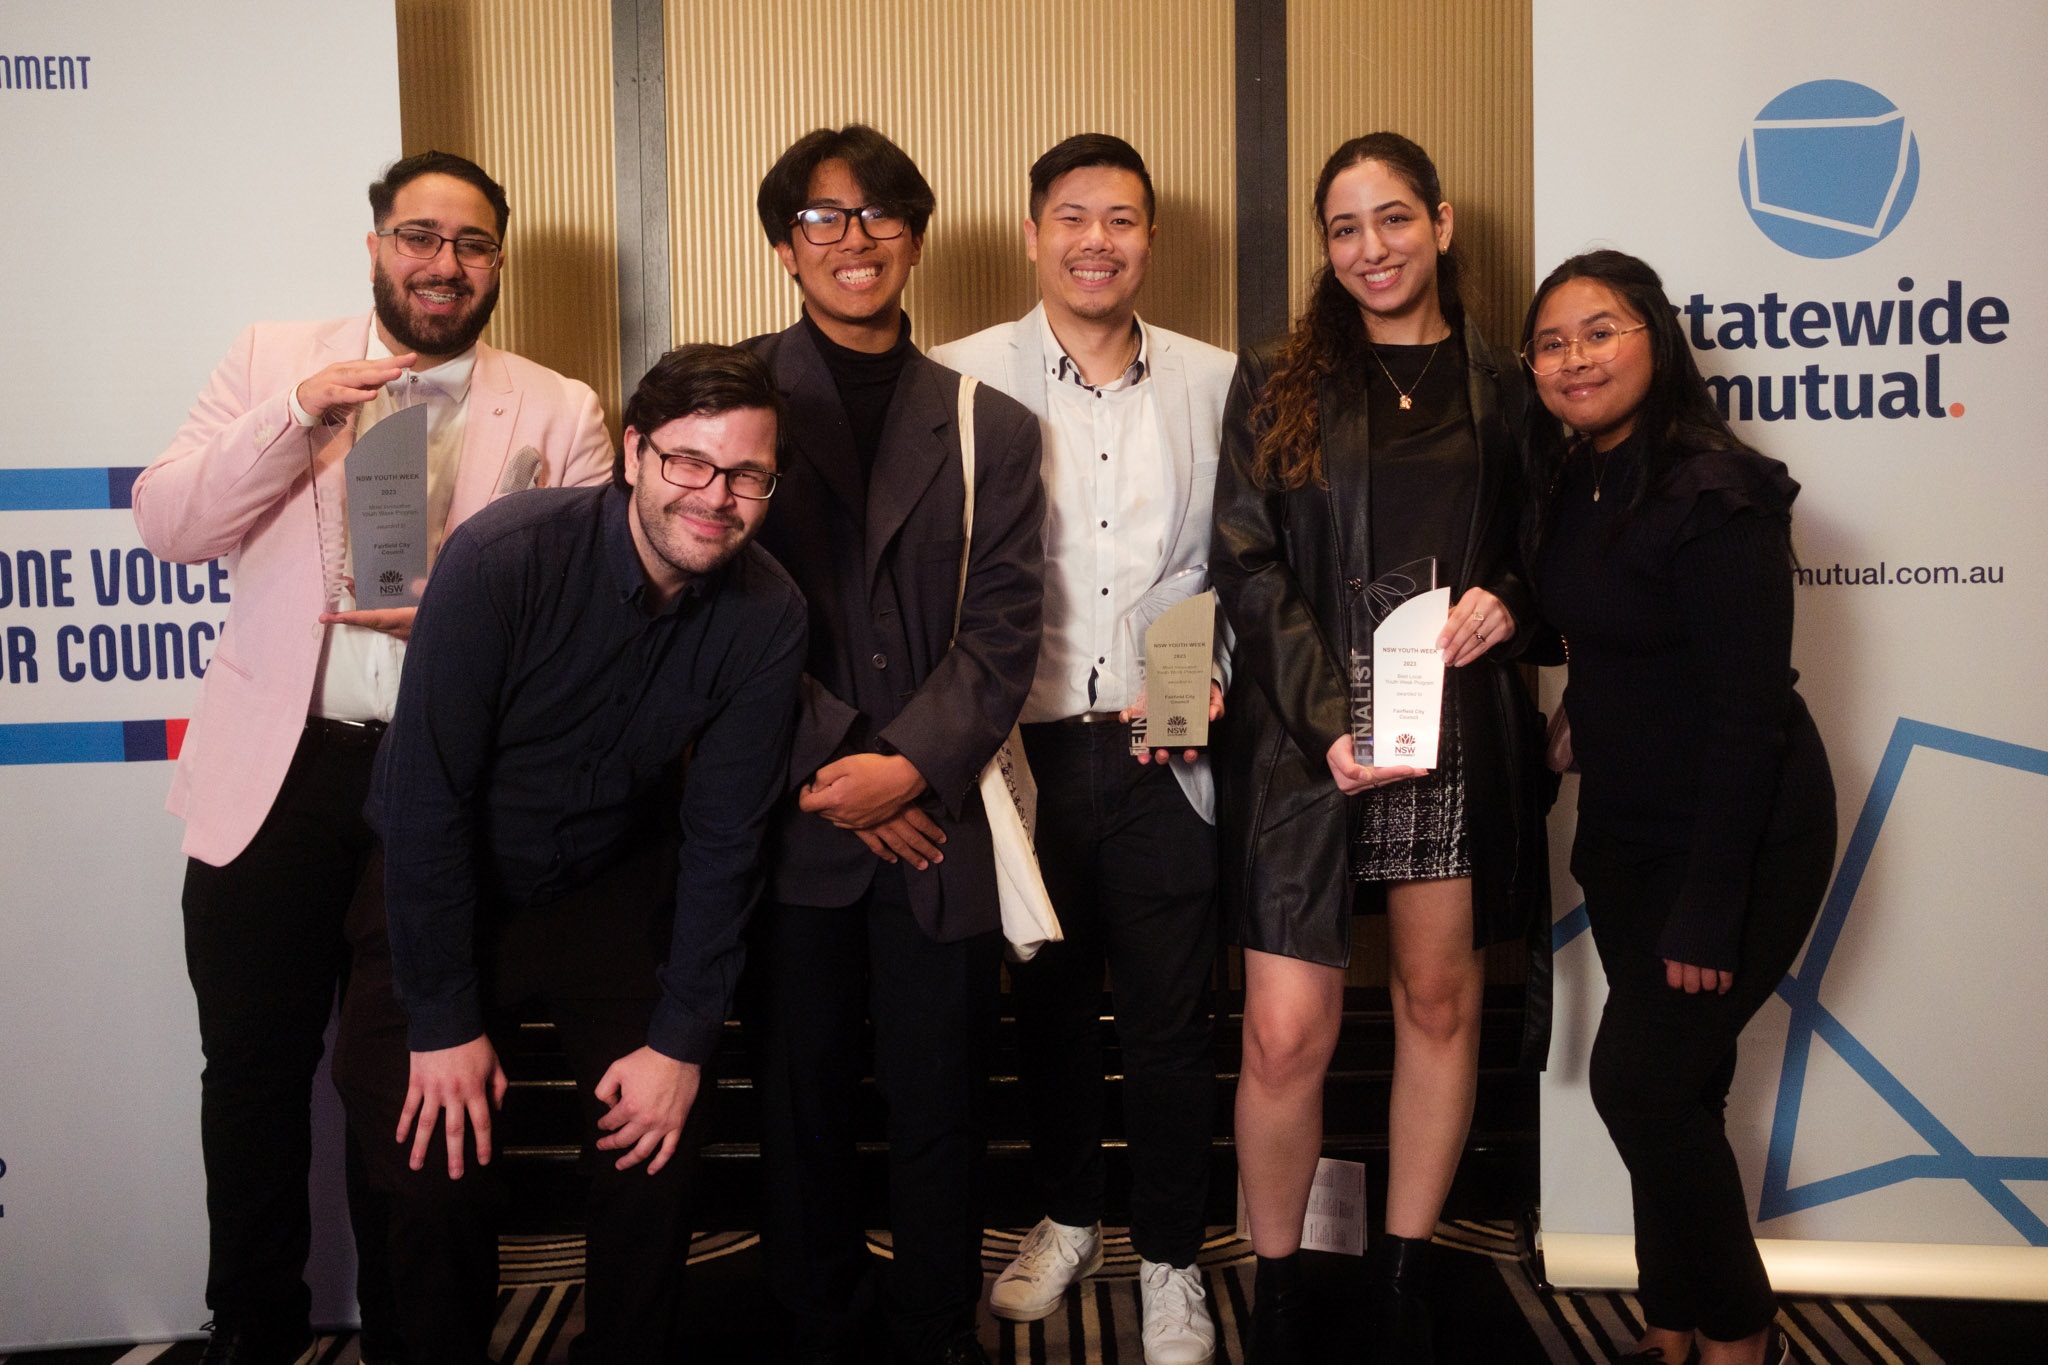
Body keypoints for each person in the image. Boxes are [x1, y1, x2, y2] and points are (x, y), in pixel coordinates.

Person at [131, 150, 610, 1365]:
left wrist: (466, 609)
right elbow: (173, 526)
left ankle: (423, 1344)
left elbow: (603, 619)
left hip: (445, 792)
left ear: (498, 258)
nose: (443, 265)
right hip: (278, 774)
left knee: (413, 1087)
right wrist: (298, 416)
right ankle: (253, 1332)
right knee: (249, 1075)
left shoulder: (558, 408)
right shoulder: (272, 360)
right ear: (377, 245)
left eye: (471, 244)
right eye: (419, 237)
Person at [327, 343, 808, 1363]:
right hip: (447, 875)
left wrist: (679, 1044)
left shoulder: (769, 614)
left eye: (746, 476)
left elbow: (726, 839)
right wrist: (445, 1022)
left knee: (658, 1146)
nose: (715, 498)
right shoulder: (503, 558)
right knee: (429, 1158)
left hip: (605, 878)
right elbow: (424, 806)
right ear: (633, 453)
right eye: (687, 463)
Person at [1209, 132, 1548, 1364]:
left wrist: (1508, 597)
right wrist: (1324, 718)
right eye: (1344, 229)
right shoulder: (1276, 378)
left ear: (1442, 224)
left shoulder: (1505, 383)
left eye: (1393, 220)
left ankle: (1404, 1269)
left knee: (1436, 1002)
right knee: (1282, 1033)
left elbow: (1541, 549)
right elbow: (1240, 559)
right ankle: (1282, 1284)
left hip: (1448, 728)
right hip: (1310, 737)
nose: (1370, 249)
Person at [741, 124, 1045, 1365]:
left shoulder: (988, 424)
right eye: (823, 218)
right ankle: (814, 1326)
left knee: (941, 1108)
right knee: (800, 1107)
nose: (851, 240)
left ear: (912, 238)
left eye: (877, 217)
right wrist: (839, 775)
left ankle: (936, 1331)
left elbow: (1004, 627)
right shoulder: (728, 396)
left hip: (940, 828)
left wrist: (908, 768)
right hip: (788, 820)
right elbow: (705, 612)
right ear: (783, 247)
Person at [930, 132, 1233, 1365]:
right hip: (1022, 755)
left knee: (1169, 1020)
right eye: (1071, 217)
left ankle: (1169, 1261)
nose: (1094, 240)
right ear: (1031, 233)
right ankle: (1065, 1218)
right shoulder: (960, 378)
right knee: (1046, 1008)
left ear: (1148, 238)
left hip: (1168, 747)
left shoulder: (1215, 380)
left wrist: (1215, 680)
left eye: (1119, 219)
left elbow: (1240, 563)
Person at [1521, 250, 1834, 1365]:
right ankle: (1669, 1331)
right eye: (1551, 343)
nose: (1573, 359)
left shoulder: (1716, 488)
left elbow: (1747, 714)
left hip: (1738, 841)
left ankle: (1743, 1337)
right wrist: (1573, 721)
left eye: (1598, 331)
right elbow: (1599, 637)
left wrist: (1710, 906)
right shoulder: (1575, 478)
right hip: (1625, 836)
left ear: (1654, 337)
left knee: (1637, 1084)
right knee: (1681, 1095)